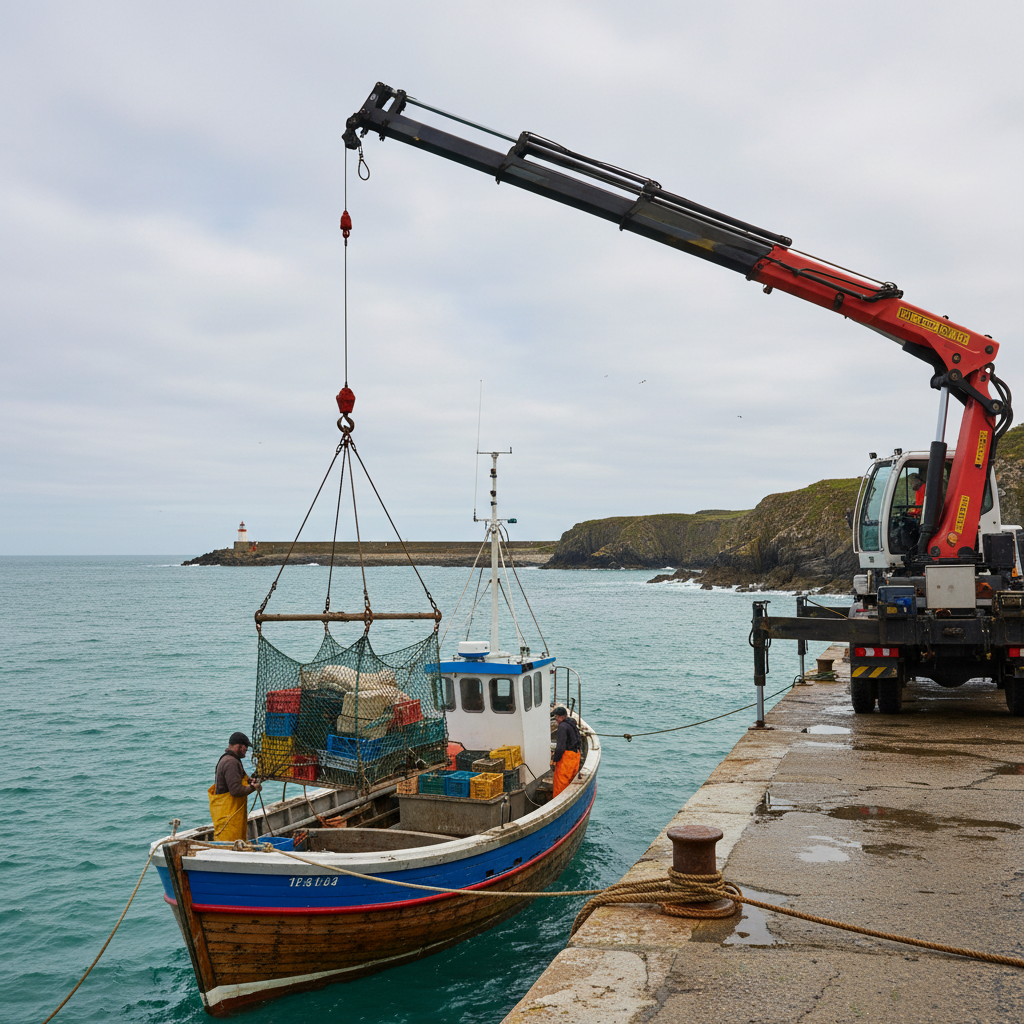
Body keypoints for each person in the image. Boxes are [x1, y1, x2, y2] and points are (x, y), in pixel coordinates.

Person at [208, 732, 262, 842]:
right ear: (238, 746)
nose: (246, 751)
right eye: (245, 748)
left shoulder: (231, 759)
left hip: (230, 815)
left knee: (237, 844)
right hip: (228, 818)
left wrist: (249, 781)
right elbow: (236, 791)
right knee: (230, 846)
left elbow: (237, 782)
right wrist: (254, 787)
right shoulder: (230, 762)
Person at [550, 706, 581, 797]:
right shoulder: (571, 723)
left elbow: (561, 746)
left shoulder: (562, 727)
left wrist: (555, 759)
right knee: (570, 780)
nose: (556, 720)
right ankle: (569, 797)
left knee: (561, 782)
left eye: (556, 717)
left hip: (567, 758)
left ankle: (558, 800)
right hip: (575, 756)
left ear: (561, 717)